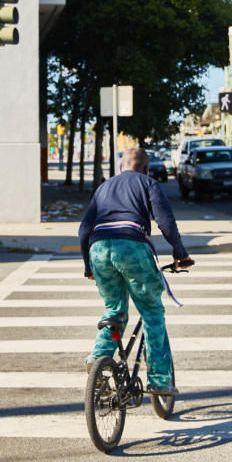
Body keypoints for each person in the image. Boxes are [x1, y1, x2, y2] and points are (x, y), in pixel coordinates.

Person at [78, 147, 191, 396]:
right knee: (152, 312)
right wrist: (180, 253)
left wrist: (88, 267)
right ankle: (160, 380)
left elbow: (84, 230)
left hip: (98, 248)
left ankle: (98, 358)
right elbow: (165, 221)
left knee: (114, 309)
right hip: (130, 246)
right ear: (146, 168)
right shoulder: (148, 183)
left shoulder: (104, 187)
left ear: (121, 168)